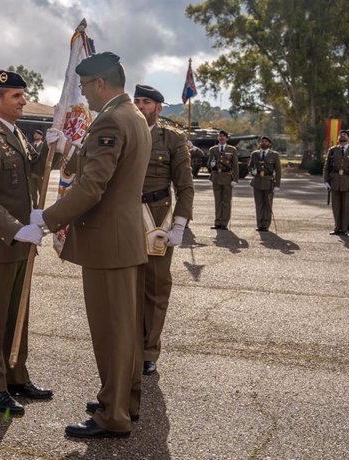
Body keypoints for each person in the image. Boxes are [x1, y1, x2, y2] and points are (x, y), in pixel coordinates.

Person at [37, 52, 152, 438]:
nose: (83, 96)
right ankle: (122, 398)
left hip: (108, 242)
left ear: (100, 83)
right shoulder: (133, 116)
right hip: (122, 240)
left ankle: (113, 415)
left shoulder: (112, 122)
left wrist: (48, 218)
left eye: (85, 87)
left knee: (111, 332)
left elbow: (91, 186)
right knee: (124, 330)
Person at [0, 69, 52, 417]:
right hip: (0, 242)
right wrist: (17, 229)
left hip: (20, 242)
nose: (24, 101)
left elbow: (34, 168)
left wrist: (53, 144)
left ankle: (16, 375)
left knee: (18, 312)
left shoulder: (14, 133)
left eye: (23, 95)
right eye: (17, 97)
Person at [132, 84, 194, 376]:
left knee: (155, 288)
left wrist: (180, 224)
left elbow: (185, 187)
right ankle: (128, 346)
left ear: (159, 107)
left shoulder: (172, 138)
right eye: (137, 101)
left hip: (157, 220)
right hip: (126, 217)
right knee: (126, 288)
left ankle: (148, 349)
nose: (140, 106)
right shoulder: (124, 132)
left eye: (146, 102)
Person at [323, 130, 349, 235]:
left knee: (346, 206)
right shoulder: (333, 150)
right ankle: (337, 227)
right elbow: (327, 167)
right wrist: (326, 181)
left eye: (344, 135)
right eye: (340, 135)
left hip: (348, 181)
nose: (342, 136)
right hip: (335, 181)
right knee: (336, 206)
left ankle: (344, 229)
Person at [247, 135, 282, 231]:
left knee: (267, 204)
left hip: (268, 182)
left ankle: (266, 224)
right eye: (262, 141)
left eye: (266, 142)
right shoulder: (255, 154)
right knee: (258, 204)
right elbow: (250, 166)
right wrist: (252, 171)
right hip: (257, 181)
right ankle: (259, 224)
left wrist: (277, 185)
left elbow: (278, 171)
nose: (263, 143)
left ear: (269, 144)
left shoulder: (274, 155)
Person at [206, 130, 239, 229]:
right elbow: (208, 163)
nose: (221, 138)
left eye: (224, 136)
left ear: (227, 139)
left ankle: (224, 223)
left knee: (226, 201)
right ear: (218, 138)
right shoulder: (213, 149)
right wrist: (211, 165)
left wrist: (235, 179)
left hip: (227, 178)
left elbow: (235, 165)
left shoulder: (232, 149)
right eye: (220, 136)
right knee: (218, 201)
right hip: (216, 177)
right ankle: (217, 222)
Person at [28, 129, 47, 208]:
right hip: (32, 172)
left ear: (41, 136)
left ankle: (41, 207)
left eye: (37, 134)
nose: (35, 135)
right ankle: (35, 205)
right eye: (34, 134)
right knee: (33, 192)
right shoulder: (30, 145)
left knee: (41, 191)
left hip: (40, 173)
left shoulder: (44, 146)